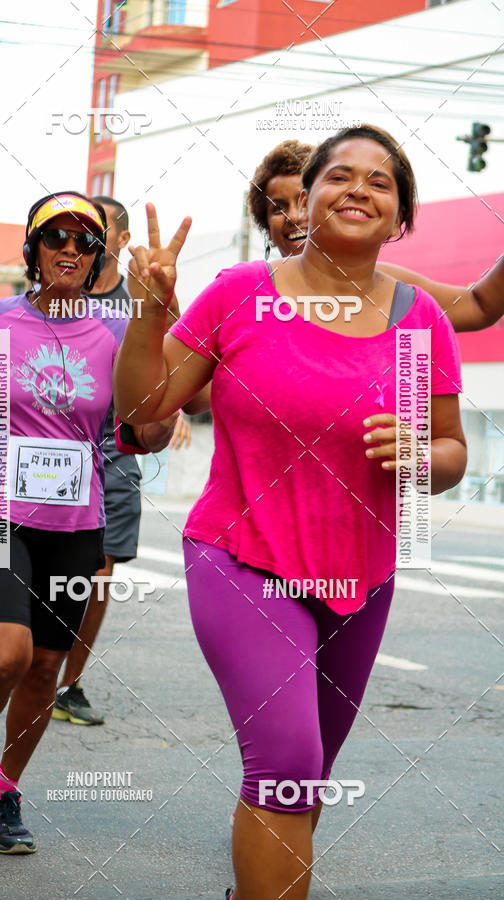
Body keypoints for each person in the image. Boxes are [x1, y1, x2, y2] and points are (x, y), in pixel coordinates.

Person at [113, 126, 467, 898]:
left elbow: (450, 456)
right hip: (243, 559)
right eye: (339, 175)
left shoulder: (420, 323)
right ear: (304, 199)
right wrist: (145, 313)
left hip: (361, 580)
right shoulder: (243, 294)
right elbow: (143, 413)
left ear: (400, 215)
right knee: (286, 768)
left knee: (308, 781)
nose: (358, 189)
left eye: (381, 182)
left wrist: (420, 454)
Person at [0, 191, 178, 854]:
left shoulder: (118, 332)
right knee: (7, 654)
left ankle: (3, 790)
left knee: (45, 668)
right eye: (56, 237)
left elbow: (152, 426)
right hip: (0, 514)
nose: (70, 249)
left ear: (96, 259)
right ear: (34, 250)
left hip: (77, 527)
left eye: (85, 241)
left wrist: (156, 320)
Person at [53, 195, 191, 725]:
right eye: (68, 231)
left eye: (93, 230)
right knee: (43, 569)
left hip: (115, 451)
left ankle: (71, 682)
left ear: (119, 240)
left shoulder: (139, 297)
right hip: (55, 452)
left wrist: (170, 408)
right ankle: (37, 659)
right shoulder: (57, 290)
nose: (77, 239)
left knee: (101, 574)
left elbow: (176, 354)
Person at [249, 139, 504, 332]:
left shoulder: (391, 289)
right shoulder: (246, 295)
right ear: (265, 223)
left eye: (302, 201)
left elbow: (479, 306)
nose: (295, 216)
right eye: (278, 208)